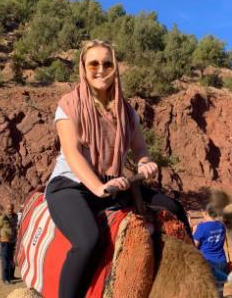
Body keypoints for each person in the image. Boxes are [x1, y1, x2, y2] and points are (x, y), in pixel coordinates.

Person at [45, 39, 192, 298]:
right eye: (93, 64)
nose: (100, 69)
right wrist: (99, 187)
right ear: (83, 67)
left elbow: (141, 151)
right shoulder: (69, 104)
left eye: (107, 63)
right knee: (88, 240)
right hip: (73, 184)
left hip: (113, 182)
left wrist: (146, 163)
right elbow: (72, 152)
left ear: (115, 68)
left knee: (174, 208)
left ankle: (194, 279)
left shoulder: (126, 111)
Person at [193, 203, 227, 297]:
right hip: (221, 261)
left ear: (205, 212)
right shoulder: (221, 226)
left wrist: (194, 231)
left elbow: (194, 246)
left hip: (207, 262)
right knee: (219, 292)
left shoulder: (201, 227)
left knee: (207, 292)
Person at [0, 203, 18, 285]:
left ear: (13, 208)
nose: (10, 210)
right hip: (5, 242)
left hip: (13, 241)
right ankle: (5, 279)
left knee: (12, 260)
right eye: (9, 209)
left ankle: (11, 276)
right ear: (6, 209)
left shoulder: (15, 216)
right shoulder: (3, 218)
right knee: (5, 261)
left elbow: (15, 226)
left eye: (12, 209)